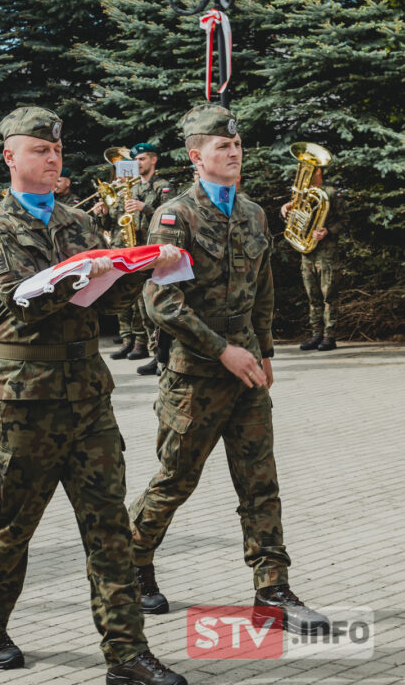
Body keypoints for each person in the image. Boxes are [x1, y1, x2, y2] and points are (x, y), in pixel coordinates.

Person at [0, 107, 186, 684]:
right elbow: (23, 300)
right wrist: (84, 271)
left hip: (87, 397)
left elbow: (108, 303)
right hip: (22, 402)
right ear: (10, 157)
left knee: (109, 527)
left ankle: (126, 654)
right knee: (12, 527)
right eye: (39, 150)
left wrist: (139, 266)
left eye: (56, 150)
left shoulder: (77, 223)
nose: (52, 157)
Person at [130, 104, 329, 637]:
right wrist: (223, 350)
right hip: (195, 375)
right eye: (222, 147)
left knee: (260, 482)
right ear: (196, 157)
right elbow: (162, 302)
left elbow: (263, 289)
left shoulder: (254, 213)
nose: (234, 152)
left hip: (246, 372)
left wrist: (264, 350)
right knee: (175, 480)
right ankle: (131, 560)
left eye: (237, 145)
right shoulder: (175, 216)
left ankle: (273, 591)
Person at [280, 165, 344, 351]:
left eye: (309, 170)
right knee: (313, 296)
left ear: (318, 171)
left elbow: (345, 220)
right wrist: (286, 209)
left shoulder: (331, 193)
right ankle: (316, 334)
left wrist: (328, 231)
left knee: (329, 297)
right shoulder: (303, 194)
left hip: (327, 254)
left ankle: (329, 337)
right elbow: (295, 218)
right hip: (308, 253)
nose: (303, 174)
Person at [127, 143, 174, 375]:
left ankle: (165, 355)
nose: (138, 163)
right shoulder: (132, 188)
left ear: (154, 160)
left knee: (157, 304)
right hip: (136, 251)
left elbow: (169, 214)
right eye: (135, 160)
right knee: (142, 306)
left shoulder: (163, 186)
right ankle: (153, 352)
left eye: (143, 159)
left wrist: (145, 207)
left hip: (155, 251)